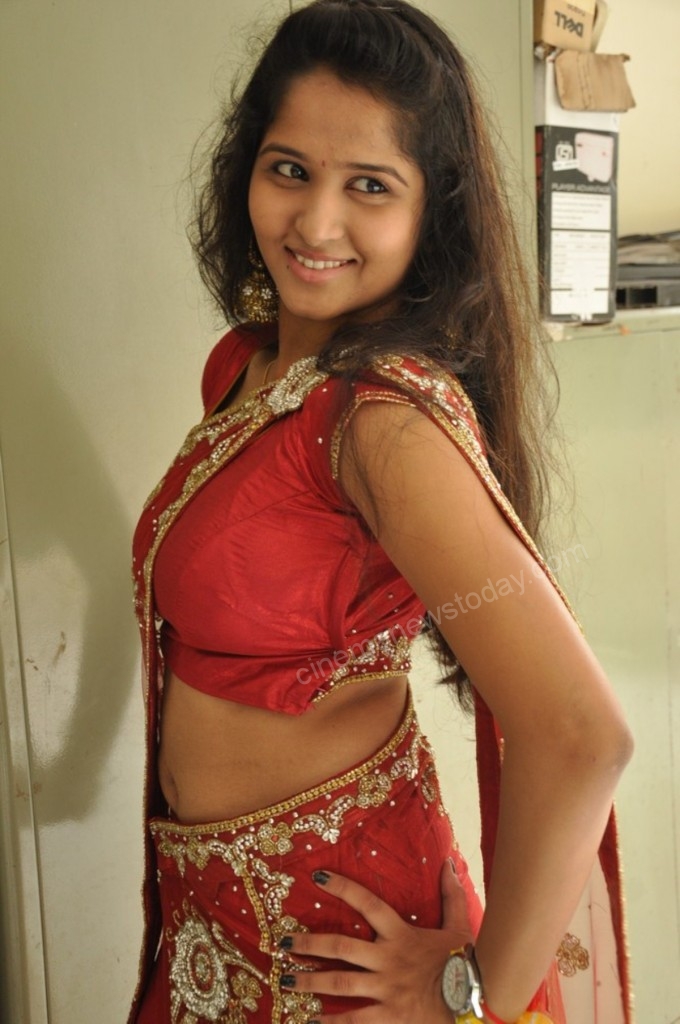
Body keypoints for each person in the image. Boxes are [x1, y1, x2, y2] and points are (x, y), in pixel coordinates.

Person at [129, 2, 634, 1022]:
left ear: (429, 212)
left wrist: (473, 991)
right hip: (210, 924)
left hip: (338, 951)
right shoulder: (248, 367)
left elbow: (581, 734)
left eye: (369, 186)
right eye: (289, 169)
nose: (316, 224)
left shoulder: (378, 423)